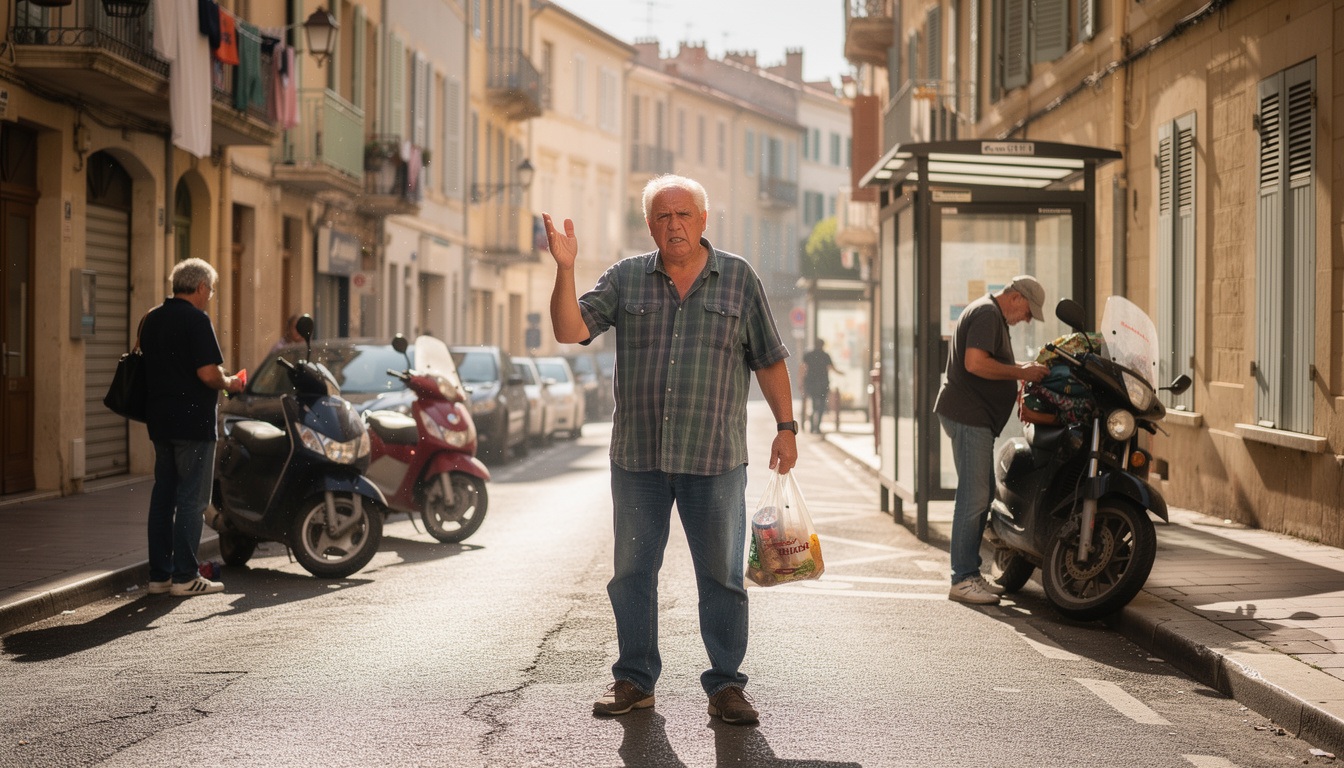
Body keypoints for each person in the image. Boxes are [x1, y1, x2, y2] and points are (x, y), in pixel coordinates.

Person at [544, 174, 797, 726]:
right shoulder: (627, 279)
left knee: (723, 577)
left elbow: (769, 358)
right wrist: (565, 269)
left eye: (684, 214)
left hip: (715, 458)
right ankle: (634, 680)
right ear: (650, 226)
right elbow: (569, 329)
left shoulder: (738, 278)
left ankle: (727, 685)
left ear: (703, 221)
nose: (674, 224)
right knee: (632, 573)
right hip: (639, 459)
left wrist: (787, 426)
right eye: (663, 216)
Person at [933, 276, 1049, 606]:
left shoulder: (990, 314)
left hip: (975, 418)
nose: (1027, 319)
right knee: (973, 499)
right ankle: (962, 578)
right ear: (1015, 297)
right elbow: (975, 363)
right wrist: (1021, 372)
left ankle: (969, 573)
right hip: (970, 417)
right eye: (1028, 311)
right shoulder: (986, 314)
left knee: (980, 496)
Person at [141, 258, 245, 597]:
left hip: (159, 421)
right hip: (193, 424)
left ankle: (159, 577)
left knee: (163, 497)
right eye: (211, 291)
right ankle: (185, 576)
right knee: (192, 500)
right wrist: (231, 382)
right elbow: (208, 374)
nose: (210, 296)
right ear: (200, 287)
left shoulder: (152, 318)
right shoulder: (197, 320)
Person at [800, 339, 840, 433]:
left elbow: (802, 368)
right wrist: (842, 373)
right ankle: (817, 427)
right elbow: (832, 368)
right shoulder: (825, 356)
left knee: (814, 405)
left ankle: (812, 427)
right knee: (821, 406)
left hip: (811, 383)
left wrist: (801, 382)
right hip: (823, 383)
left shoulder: (809, 355)